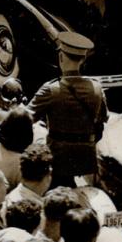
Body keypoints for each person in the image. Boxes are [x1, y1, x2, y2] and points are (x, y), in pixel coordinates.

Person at [31, 32, 107, 185]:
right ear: (83, 59)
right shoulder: (97, 88)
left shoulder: (50, 89)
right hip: (86, 160)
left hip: (59, 161)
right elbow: (103, 119)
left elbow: (25, 118)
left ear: (60, 58)